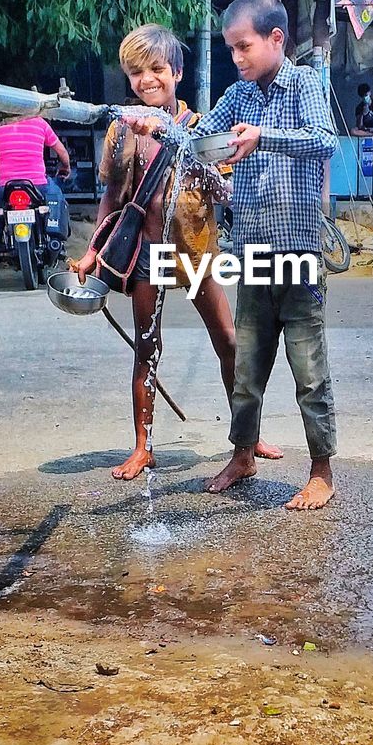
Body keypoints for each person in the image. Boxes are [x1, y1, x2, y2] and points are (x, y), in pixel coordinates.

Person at [130, 0, 337, 511]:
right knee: (246, 370)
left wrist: (262, 138)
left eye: (244, 47)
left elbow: (323, 140)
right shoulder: (238, 97)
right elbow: (194, 140)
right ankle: (242, 454)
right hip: (252, 255)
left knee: (308, 371)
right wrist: (159, 127)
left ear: (275, 40)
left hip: (299, 255)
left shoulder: (305, 85)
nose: (238, 58)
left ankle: (320, 470)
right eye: (231, 50)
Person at [71, 24, 280, 480]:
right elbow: (109, 197)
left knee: (228, 341)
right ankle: (143, 446)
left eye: (157, 69)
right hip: (144, 255)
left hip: (195, 247)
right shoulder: (120, 130)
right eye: (136, 72)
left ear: (177, 72)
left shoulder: (200, 127)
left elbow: (225, 185)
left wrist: (197, 160)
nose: (147, 80)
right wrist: (92, 253)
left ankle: (248, 435)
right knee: (146, 349)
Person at [0, 116, 71, 287]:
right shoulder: (39, 123)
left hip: (5, 186)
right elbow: (62, 153)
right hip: (38, 184)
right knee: (57, 198)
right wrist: (65, 168)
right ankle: (56, 241)